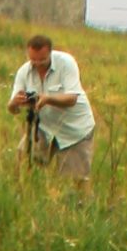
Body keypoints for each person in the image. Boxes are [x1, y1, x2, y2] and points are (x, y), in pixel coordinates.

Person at [9, 34, 95, 177]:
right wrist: (15, 103)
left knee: (75, 181)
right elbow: (12, 108)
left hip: (74, 130)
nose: (37, 64)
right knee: (22, 163)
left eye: (42, 60)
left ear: (50, 52)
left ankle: (78, 199)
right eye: (33, 60)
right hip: (44, 128)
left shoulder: (66, 63)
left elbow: (72, 98)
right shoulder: (24, 71)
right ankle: (24, 193)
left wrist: (48, 99)